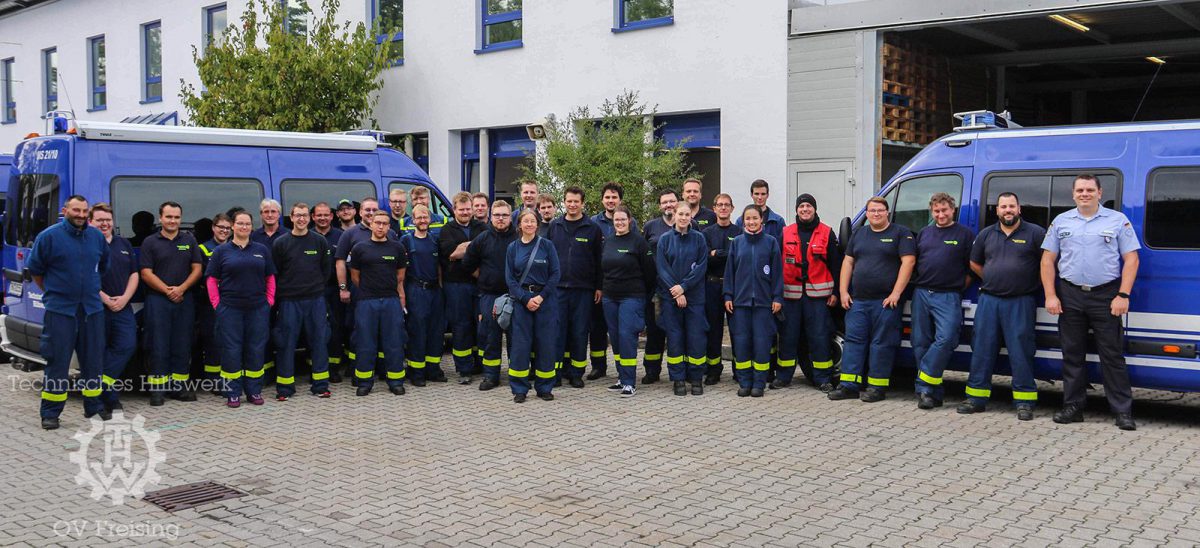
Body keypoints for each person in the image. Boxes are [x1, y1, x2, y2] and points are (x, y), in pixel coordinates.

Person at [1041, 174, 1140, 431]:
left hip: (1106, 295)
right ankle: (1073, 406)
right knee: (1072, 354)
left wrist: (1123, 295)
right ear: (1073, 194)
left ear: (1099, 192)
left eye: (1089, 189)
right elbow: (1047, 260)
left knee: (1112, 355)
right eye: (1080, 190)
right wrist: (1051, 295)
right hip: (1070, 294)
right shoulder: (1061, 222)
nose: (1084, 194)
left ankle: (1122, 411)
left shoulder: (1117, 221)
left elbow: (1131, 259)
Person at [959, 192, 1045, 420]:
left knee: (1021, 351)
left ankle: (1024, 402)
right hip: (989, 300)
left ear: (1019, 209)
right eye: (1003, 206)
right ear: (997, 210)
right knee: (982, 349)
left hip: (1021, 301)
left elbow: (1047, 264)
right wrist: (992, 277)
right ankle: (975, 398)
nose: (1007, 210)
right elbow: (974, 262)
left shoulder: (1035, 233)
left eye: (1011, 206)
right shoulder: (986, 234)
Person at [27, 195, 109, 429]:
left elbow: (103, 266)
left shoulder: (95, 236)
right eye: (76, 210)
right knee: (57, 362)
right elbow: (36, 270)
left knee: (93, 361)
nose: (81, 215)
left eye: (85, 211)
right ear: (65, 210)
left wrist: (88, 289)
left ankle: (93, 406)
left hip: (91, 310)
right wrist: (55, 291)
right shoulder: (49, 236)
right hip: (60, 310)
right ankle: (50, 413)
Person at [828, 197, 915, 402]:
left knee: (881, 344)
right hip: (858, 301)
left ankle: (877, 387)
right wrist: (843, 292)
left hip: (886, 302)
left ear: (887, 213)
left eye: (880, 210)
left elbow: (908, 262)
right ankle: (849, 385)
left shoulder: (900, 233)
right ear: (866, 214)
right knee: (854, 342)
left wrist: (895, 293)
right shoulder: (859, 234)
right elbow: (848, 263)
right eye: (872, 211)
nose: (876, 214)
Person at [910, 193, 975, 409]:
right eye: (936, 211)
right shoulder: (924, 234)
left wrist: (955, 287)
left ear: (953, 210)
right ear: (932, 212)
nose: (941, 215)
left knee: (947, 338)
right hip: (921, 293)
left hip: (948, 295)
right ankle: (929, 393)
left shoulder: (965, 234)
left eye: (944, 210)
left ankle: (924, 378)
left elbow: (971, 269)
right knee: (920, 342)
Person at [206, 211, 276, 407]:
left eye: (247, 224)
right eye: (240, 224)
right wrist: (217, 304)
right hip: (230, 309)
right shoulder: (222, 251)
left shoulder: (261, 250)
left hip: (257, 308)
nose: (244, 227)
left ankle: (254, 391)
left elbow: (270, 277)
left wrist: (269, 300)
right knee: (231, 350)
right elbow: (212, 280)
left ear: (251, 227)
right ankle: (232, 392)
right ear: (233, 227)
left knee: (255, 349)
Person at [139, 201, 204, 406]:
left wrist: (181, 289)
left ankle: (179, 388)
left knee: (183, 344)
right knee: (157, 344)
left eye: (176, 217)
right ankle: (158, 390)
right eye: (169, 216)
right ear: (160, 218)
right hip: (158, 300)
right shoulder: (150, 242)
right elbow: (146, 273)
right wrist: (168, 290)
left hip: (184, 299)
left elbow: (197, 269)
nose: (173, 221)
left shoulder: (189, 240)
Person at [775, 194, 841, 391]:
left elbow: (836, 265)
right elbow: (777, 266)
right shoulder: (785, 232)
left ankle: (823, 379)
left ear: (815, 209)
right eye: (801, 206)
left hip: (818, 298)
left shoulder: (827, 233)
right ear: (796, 209)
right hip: (791, 297)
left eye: (809, 206)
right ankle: (784, 377)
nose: (805, 209)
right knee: (788, 337)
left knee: (820, 338)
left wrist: (836, 292)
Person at [272, 202, 333, 400]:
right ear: (291, 217)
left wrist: (314, 287)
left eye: (305, 215)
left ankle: (321, 385)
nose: (301, 219)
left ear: (310, 217)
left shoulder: (319, 241)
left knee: (319, 342)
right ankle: (285, 388)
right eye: (298, 215)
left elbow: (326, 270)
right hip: (289, 301)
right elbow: (276, 271)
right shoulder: (281, 243)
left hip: (315, 299)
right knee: (286, 343)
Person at [546, 186, 604, 388]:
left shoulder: (592, 228)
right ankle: (555, 373)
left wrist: (598, 286)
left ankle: (576, 373)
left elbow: (598, 260)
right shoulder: (555, 226)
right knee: (557, 332)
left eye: (576, 202)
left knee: (579, 332)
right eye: (569, 201)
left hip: (583, 289)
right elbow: (548, 258)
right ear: (564, 202)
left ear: (583, 203)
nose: (572, 205)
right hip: (558, 289)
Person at [724, 205, 783, 397]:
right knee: (741, 343)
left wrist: (777, 297)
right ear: (743, 221)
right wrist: (728, 295)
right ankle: (744, 382)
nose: (751, 222)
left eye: (755, 218)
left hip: (764, 304)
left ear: (761, 221)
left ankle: (759, 383)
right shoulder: (737, 243)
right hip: (740, 304)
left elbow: (777, 273)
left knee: (761, 344)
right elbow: (729, 272)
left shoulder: (771, 242)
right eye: (748, 219)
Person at [349, 211, 409, 396]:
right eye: (378, 223)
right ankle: (365, 382)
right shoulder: (360, 248)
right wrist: (371, 289)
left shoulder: (397, 248)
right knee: (365, 342)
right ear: (371, 225)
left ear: (389, 226)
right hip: (367, 301)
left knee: (393, 342)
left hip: (391, 300)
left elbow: (400, 276)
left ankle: (396, 380)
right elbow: (355, 277)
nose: (381, 226)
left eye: (385, 223)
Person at [335, 197, 395, 380]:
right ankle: (356, 369)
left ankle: (383, 369)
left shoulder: (390, 234)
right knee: (359, 331)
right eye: (367, 210)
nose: (370, 213)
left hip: (385, 294)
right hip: (360, 292)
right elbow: (340, 262)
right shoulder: (350, 234)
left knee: (384, 332)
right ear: (360, 212)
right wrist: (344, 288)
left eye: (374, 210)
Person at [505, 209, 561, 403]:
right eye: (525, 221)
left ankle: (545, 387)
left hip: (545, 301)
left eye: (532, 221)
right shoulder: (513, 248)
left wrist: (540, 297)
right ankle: (519, 389)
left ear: (537, 225)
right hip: (522, 303)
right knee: (520, 346)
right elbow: (510, 279)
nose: (529, 224)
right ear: (519, 225)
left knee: (545, 345)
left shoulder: (547, 246)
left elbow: (555, 274)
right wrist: (525, 299)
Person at [463, 200, 517, 391]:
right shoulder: (483, 239)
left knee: (515, 337)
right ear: (491, 216)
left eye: (504, 215)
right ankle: (491, 376)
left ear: (510, 217)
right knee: (490, 337)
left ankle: (516, 375)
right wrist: (484, 277)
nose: (500, 219)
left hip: (515, 297)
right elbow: (468, 263)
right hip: (490, 296)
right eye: (497, 215)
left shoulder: (519, 238)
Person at [601, 206, 655, 397]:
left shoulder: (638, 242)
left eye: (623, 219)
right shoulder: (607, 241)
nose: (620, 223)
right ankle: (621, 378)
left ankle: (630, 382)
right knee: (615, 338)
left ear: (630, 220)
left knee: (627, 337)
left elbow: (650, 272)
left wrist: (644, 295)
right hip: (610, 297)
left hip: (631, 297)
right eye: (617, 220)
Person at [90, 203, 139, 414]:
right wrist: (106, 299)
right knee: (98, 352)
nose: (104, 224)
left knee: (127, 345)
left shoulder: (123, 243)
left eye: (108, 220)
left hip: (123, 307)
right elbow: (84, 277)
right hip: (97, 308)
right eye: (100, 220)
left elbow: (134, 273)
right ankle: (108, 398)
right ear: (91, 222)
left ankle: (99, 387)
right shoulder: (87, 245)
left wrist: (125, 298)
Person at [656, 204, 709, 396]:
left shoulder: (699, 239)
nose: (684, 217)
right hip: (671, 299)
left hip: (694, 298)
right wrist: (677, 292)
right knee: (675, 339)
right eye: (681, 214)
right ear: (674, 215)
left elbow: (701, 267)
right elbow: (662, 269)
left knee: (696, 338)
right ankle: (678, 379)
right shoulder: (665, 240)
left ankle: (695, 378)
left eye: (687, 214)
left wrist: (684, 287)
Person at [587, 181, 638, 379]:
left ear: (620, 200)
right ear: (602, 199)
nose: (610, 200)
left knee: (620, 331)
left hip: (623, 287)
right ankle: (598, 366)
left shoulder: (629, 223)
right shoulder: (593, 223)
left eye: (614, 197)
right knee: (598, 327)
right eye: (607, 197)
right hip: (601, 285)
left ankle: (622, 370)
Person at [438, 192, 485, 384]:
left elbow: (486, 250)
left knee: (480, 327)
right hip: (456, 285)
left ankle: (480, 365)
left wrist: (464, 248)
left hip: (479, 284)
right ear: (454, 210)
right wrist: (474, 247)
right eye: (461, 209)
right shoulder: (446, 230)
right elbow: (451, 254)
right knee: (461, 327)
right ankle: (464, 369)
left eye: (468, 209)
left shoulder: (482, 227)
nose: (465, 212)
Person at [401, 205, 447, 386]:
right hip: (416, 291)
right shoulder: (406, 240)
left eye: (425, 217)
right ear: (412, 220)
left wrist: (441, 288)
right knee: (417, 332)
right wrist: (402, 293)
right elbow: (401, 271)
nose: (422, 220)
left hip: (435, 290)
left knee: (436, 331)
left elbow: (439, 267)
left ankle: (433, 370)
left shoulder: (434, 240)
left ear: (430, 219)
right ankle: (416, 372)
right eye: (419, 218)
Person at [640, 188, 681, 383]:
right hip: (656, 289)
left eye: (672, 201)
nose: (668, 205)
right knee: (654, 332)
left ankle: (679, 371)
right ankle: (651, 371)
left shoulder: (689, 224)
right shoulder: (650, 227)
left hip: (680, 290)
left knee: (677, 332)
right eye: (664, 202)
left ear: (678, 202)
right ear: (659, 206)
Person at [702, 193, 740, 384]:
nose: (723, 208)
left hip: (734, 287)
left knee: (736, 329)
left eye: (727, 205)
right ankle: (713, 370)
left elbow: (738, 258)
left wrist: (717, 253)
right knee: (713, 330)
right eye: (720, 205)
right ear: (714, 208)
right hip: (712, 285)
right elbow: (704, 259)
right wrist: (719, 254)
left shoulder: (739, 231)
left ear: (732, 208)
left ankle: (738, 370)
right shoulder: (707, 233)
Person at [312, 202, 347, 382]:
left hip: (334, 289)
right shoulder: (308, 236)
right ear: (313, 217)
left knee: (335, 328)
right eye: (319, 215)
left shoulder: (341, 236)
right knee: (315, 329)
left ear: (332, 217)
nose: (323, 218)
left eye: (326, 215)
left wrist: (343, 288)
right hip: (313, 290)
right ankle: (316, 368)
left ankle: (333, 368)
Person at [197, 213, 232, 384]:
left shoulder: (234, 247)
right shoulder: (203, 249)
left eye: (227, 228)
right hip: (210, 303)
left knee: (229, 340)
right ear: (213, 228)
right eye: (221, 227)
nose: (224, 231)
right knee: (213, 340)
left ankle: (228, 376)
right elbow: (203, 277)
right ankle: (213, 379)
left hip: (231, 301)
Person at [735, 179, 785, 247]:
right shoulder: (740, 221)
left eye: (763, 194)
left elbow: (782, 248)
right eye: (756, 194)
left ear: (767, 195)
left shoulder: (778, 221)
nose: (760, 197)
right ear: (751, 195)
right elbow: (737, 246)